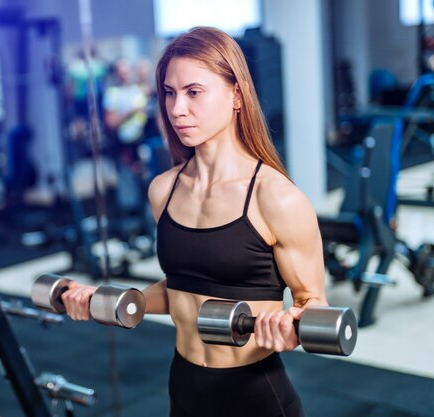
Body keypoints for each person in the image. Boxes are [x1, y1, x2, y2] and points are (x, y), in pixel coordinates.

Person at [61, 26, 327, 417]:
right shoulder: (163, 190)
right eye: (169, 93)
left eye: (193, 92)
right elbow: (183, 289)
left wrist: (293, 326)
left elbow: (312, 301)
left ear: (236, 95)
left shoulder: (276, 197)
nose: (177, 108)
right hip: (184, 387)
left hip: (254, 396)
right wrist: (109, 299)